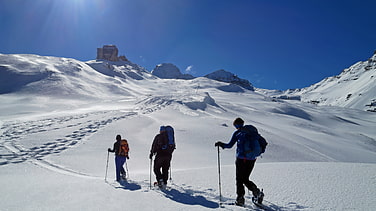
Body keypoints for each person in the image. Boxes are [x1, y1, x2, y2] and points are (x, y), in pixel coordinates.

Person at [215, 118, 264, 206]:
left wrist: (221, 144)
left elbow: (229, 145)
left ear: (236, 125)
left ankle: (240, 198)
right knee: (245, 178)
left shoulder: (238, 133)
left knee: (239, 179)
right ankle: (256, 192)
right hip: (252, 159)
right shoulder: (252, 132)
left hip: (241, 159)